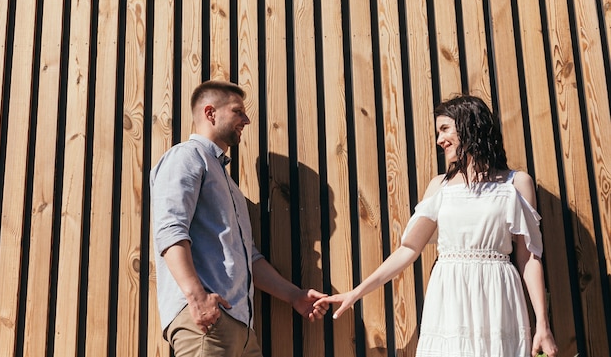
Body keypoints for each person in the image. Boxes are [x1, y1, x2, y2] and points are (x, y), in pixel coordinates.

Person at [315, 95, 558, 357]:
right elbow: (408, 249)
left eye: (445, 129)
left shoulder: (516, 183)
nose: (440, 140)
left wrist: (542, 324)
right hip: (449, 293)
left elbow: (529, 256)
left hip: (498, 294)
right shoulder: (440, 186)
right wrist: (356, 293)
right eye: (438, 132)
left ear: (470, 125)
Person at [150, 80, 329, 357]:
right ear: (210, 113)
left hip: (242, 330)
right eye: (238, 111)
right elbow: (170, 229)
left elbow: (250, 259)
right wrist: (197, 298)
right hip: (207, 323)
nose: (246, 120)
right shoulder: (186, 157)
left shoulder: (228, 184)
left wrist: (295, 296)